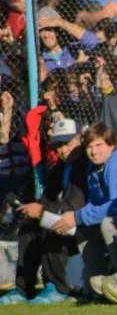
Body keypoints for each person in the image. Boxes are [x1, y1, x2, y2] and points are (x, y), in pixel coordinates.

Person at [50, 123, 117, 288]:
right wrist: (72, 219)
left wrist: (77, 217)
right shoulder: (94, 166)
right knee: (84, 229)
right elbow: (95, 202)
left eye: (99, 145)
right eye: (89, 147)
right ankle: (94, 287)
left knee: (108, 224)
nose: (94, 151)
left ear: (111, 144)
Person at [0, 119, 88, 305]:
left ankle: (58, 287)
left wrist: (43, 210)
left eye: (68, 144)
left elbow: (76, 204)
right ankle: (24, 289)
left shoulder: (84, 164)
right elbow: (48, 197)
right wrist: (36, 209)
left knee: (51, 223)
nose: (63, 150)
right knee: (28, 226)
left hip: (84, 222)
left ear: (80, 140)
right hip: (67, 217)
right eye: (59, 146)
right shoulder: (62, 166)